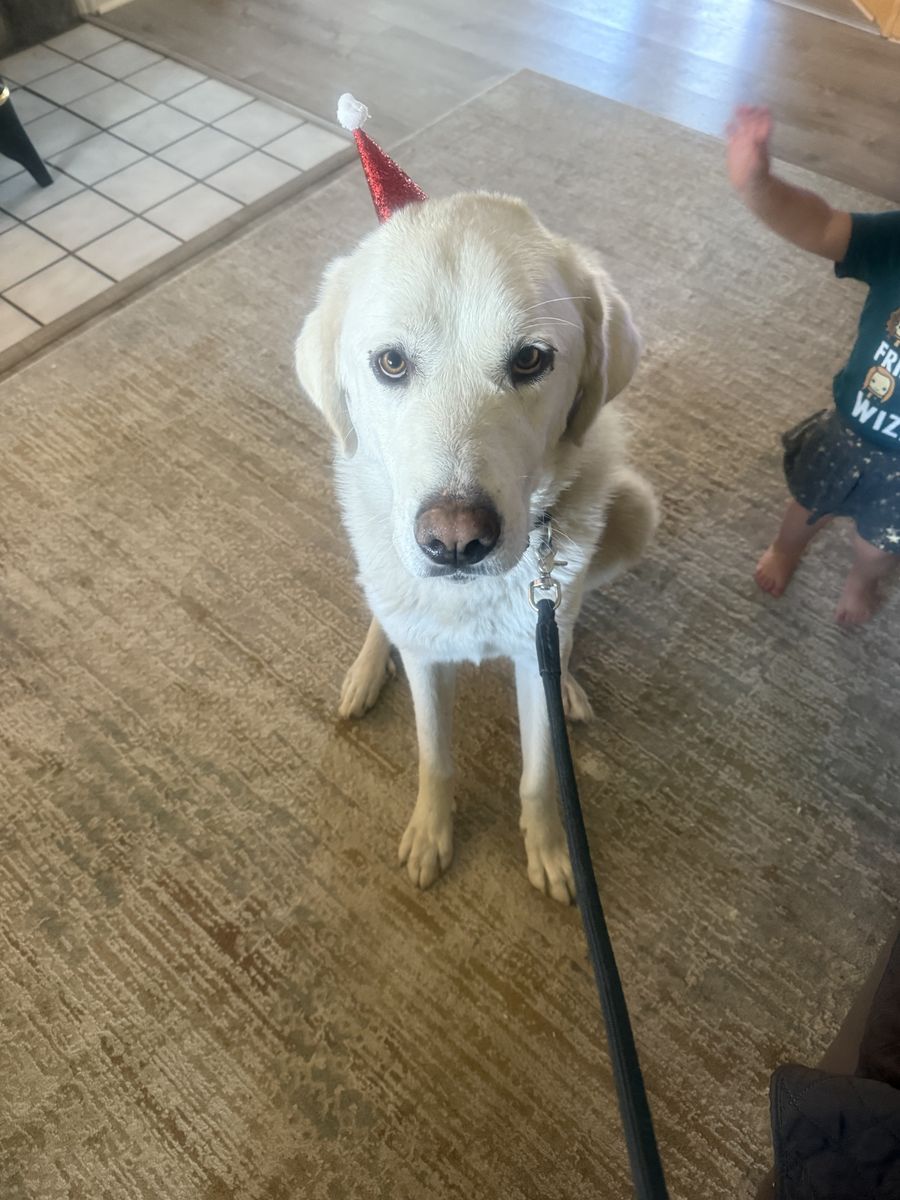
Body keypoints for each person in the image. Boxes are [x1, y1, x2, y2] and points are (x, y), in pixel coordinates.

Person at [726, 105, 900, 625]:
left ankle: (862, 579)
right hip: (847, 431)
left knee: (879, 547)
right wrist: (759, 184)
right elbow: (821, 224)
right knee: (805, 506)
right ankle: (786, 551)